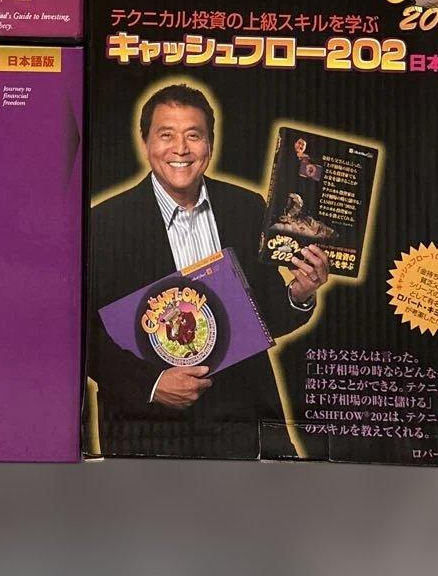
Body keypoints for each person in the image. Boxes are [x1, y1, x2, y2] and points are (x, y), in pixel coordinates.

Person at [88, 83, 329, 459]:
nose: (180, 149)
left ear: (210, 144)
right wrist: (152, 384)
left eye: (193, 135)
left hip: (244, 417)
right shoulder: (102, 223)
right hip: (147, 427)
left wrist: (300, 294)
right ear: (145, 142)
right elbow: (79, 335)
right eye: (166, 135)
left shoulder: (246, 208)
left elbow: (265, 316)